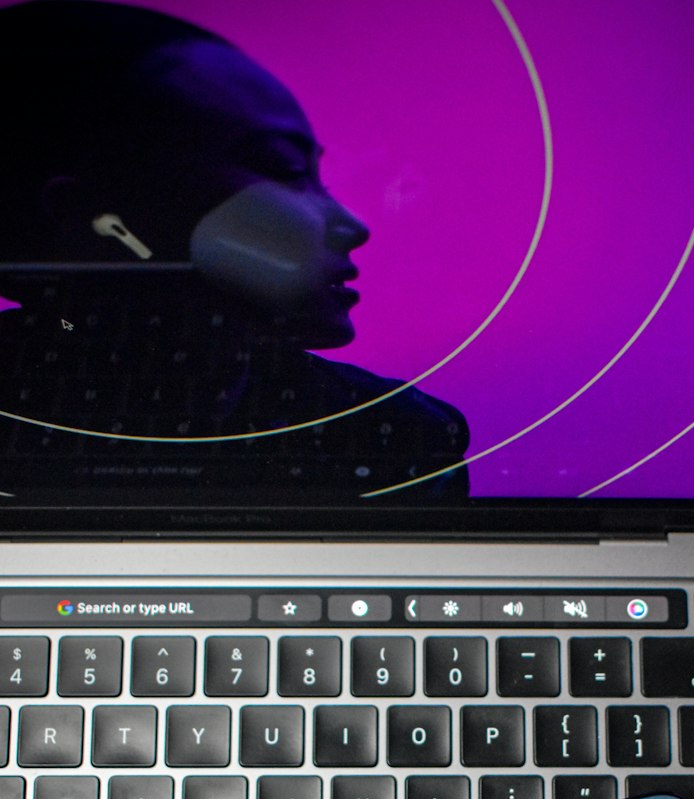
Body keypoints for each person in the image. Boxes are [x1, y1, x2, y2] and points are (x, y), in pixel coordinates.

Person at [0, 0, 470, 500]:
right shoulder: (392, 438)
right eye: (285, 169)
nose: (352, 227)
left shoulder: (400, 439)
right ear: (90, 215)